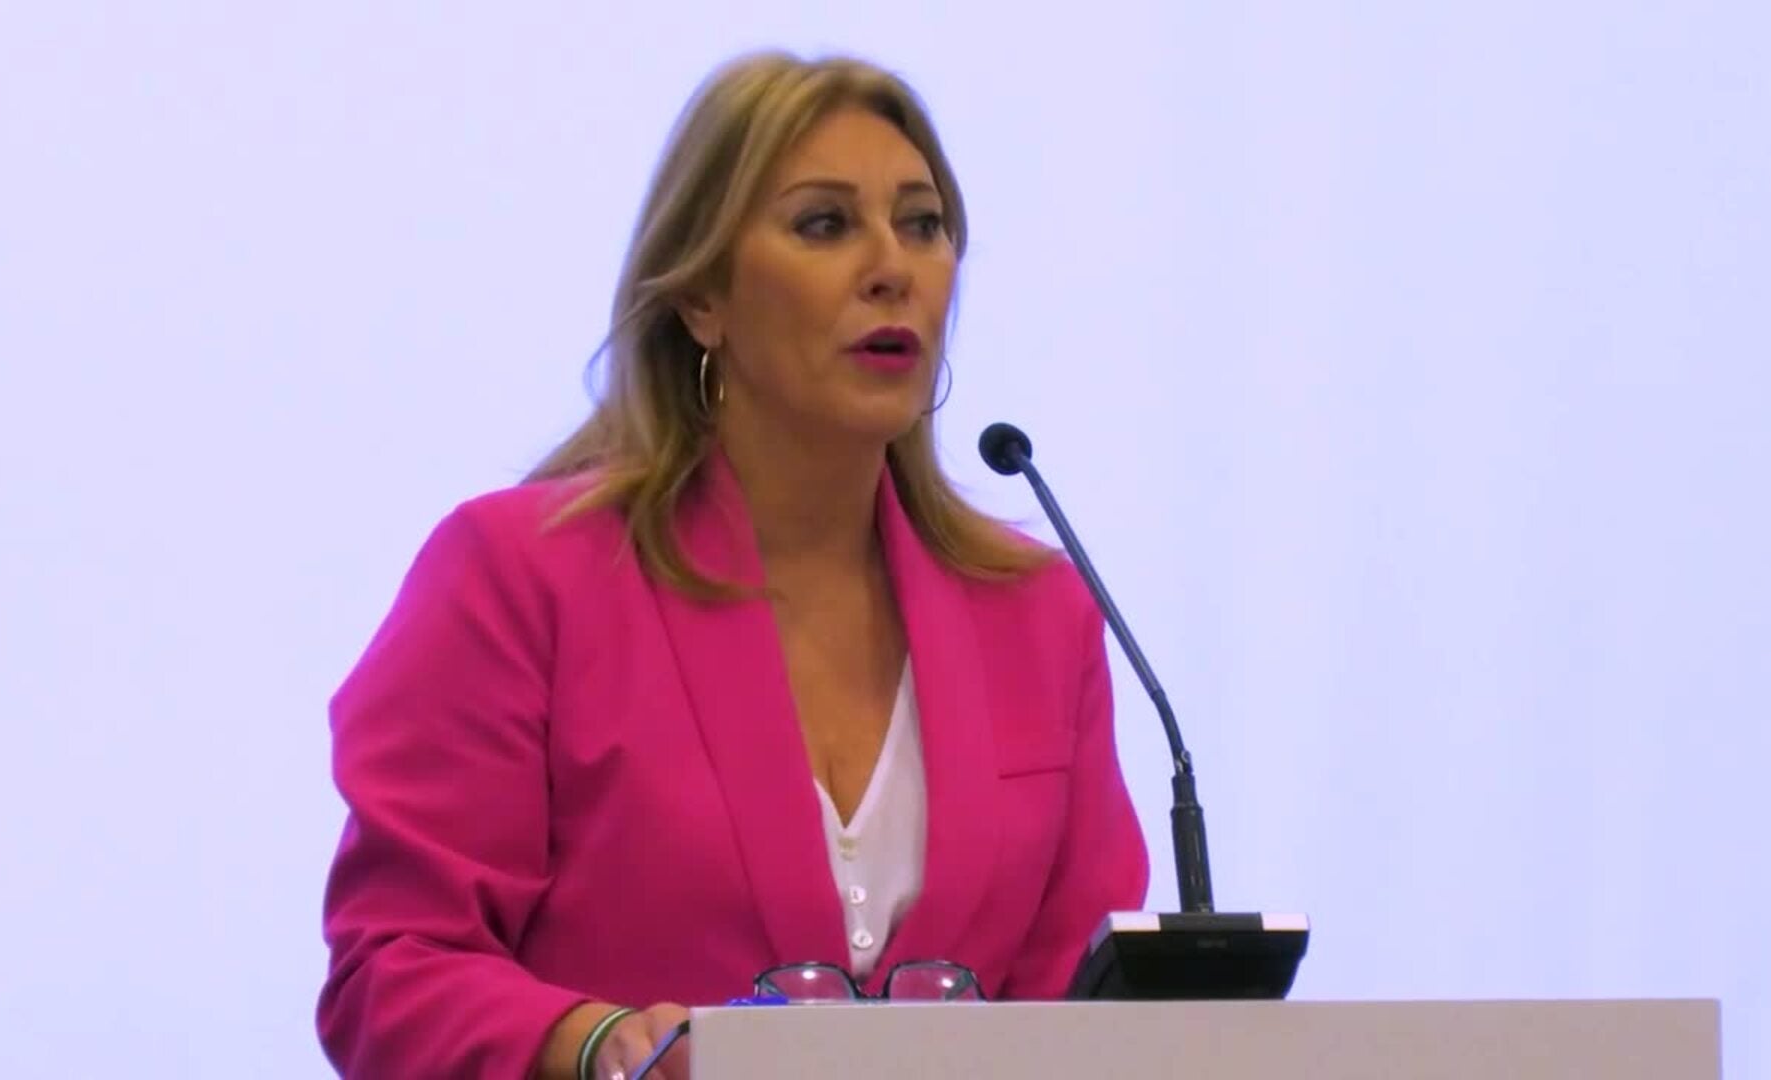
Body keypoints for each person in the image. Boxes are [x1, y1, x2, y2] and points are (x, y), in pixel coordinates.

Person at [315, 50, 1150, 1080]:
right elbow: (394, 969)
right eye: (825, 224)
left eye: (923, 224)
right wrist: (591, 1044)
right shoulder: (520, 580)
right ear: (704, 297)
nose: (892, 267)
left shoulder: (1037, 613)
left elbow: (1083, 1006)